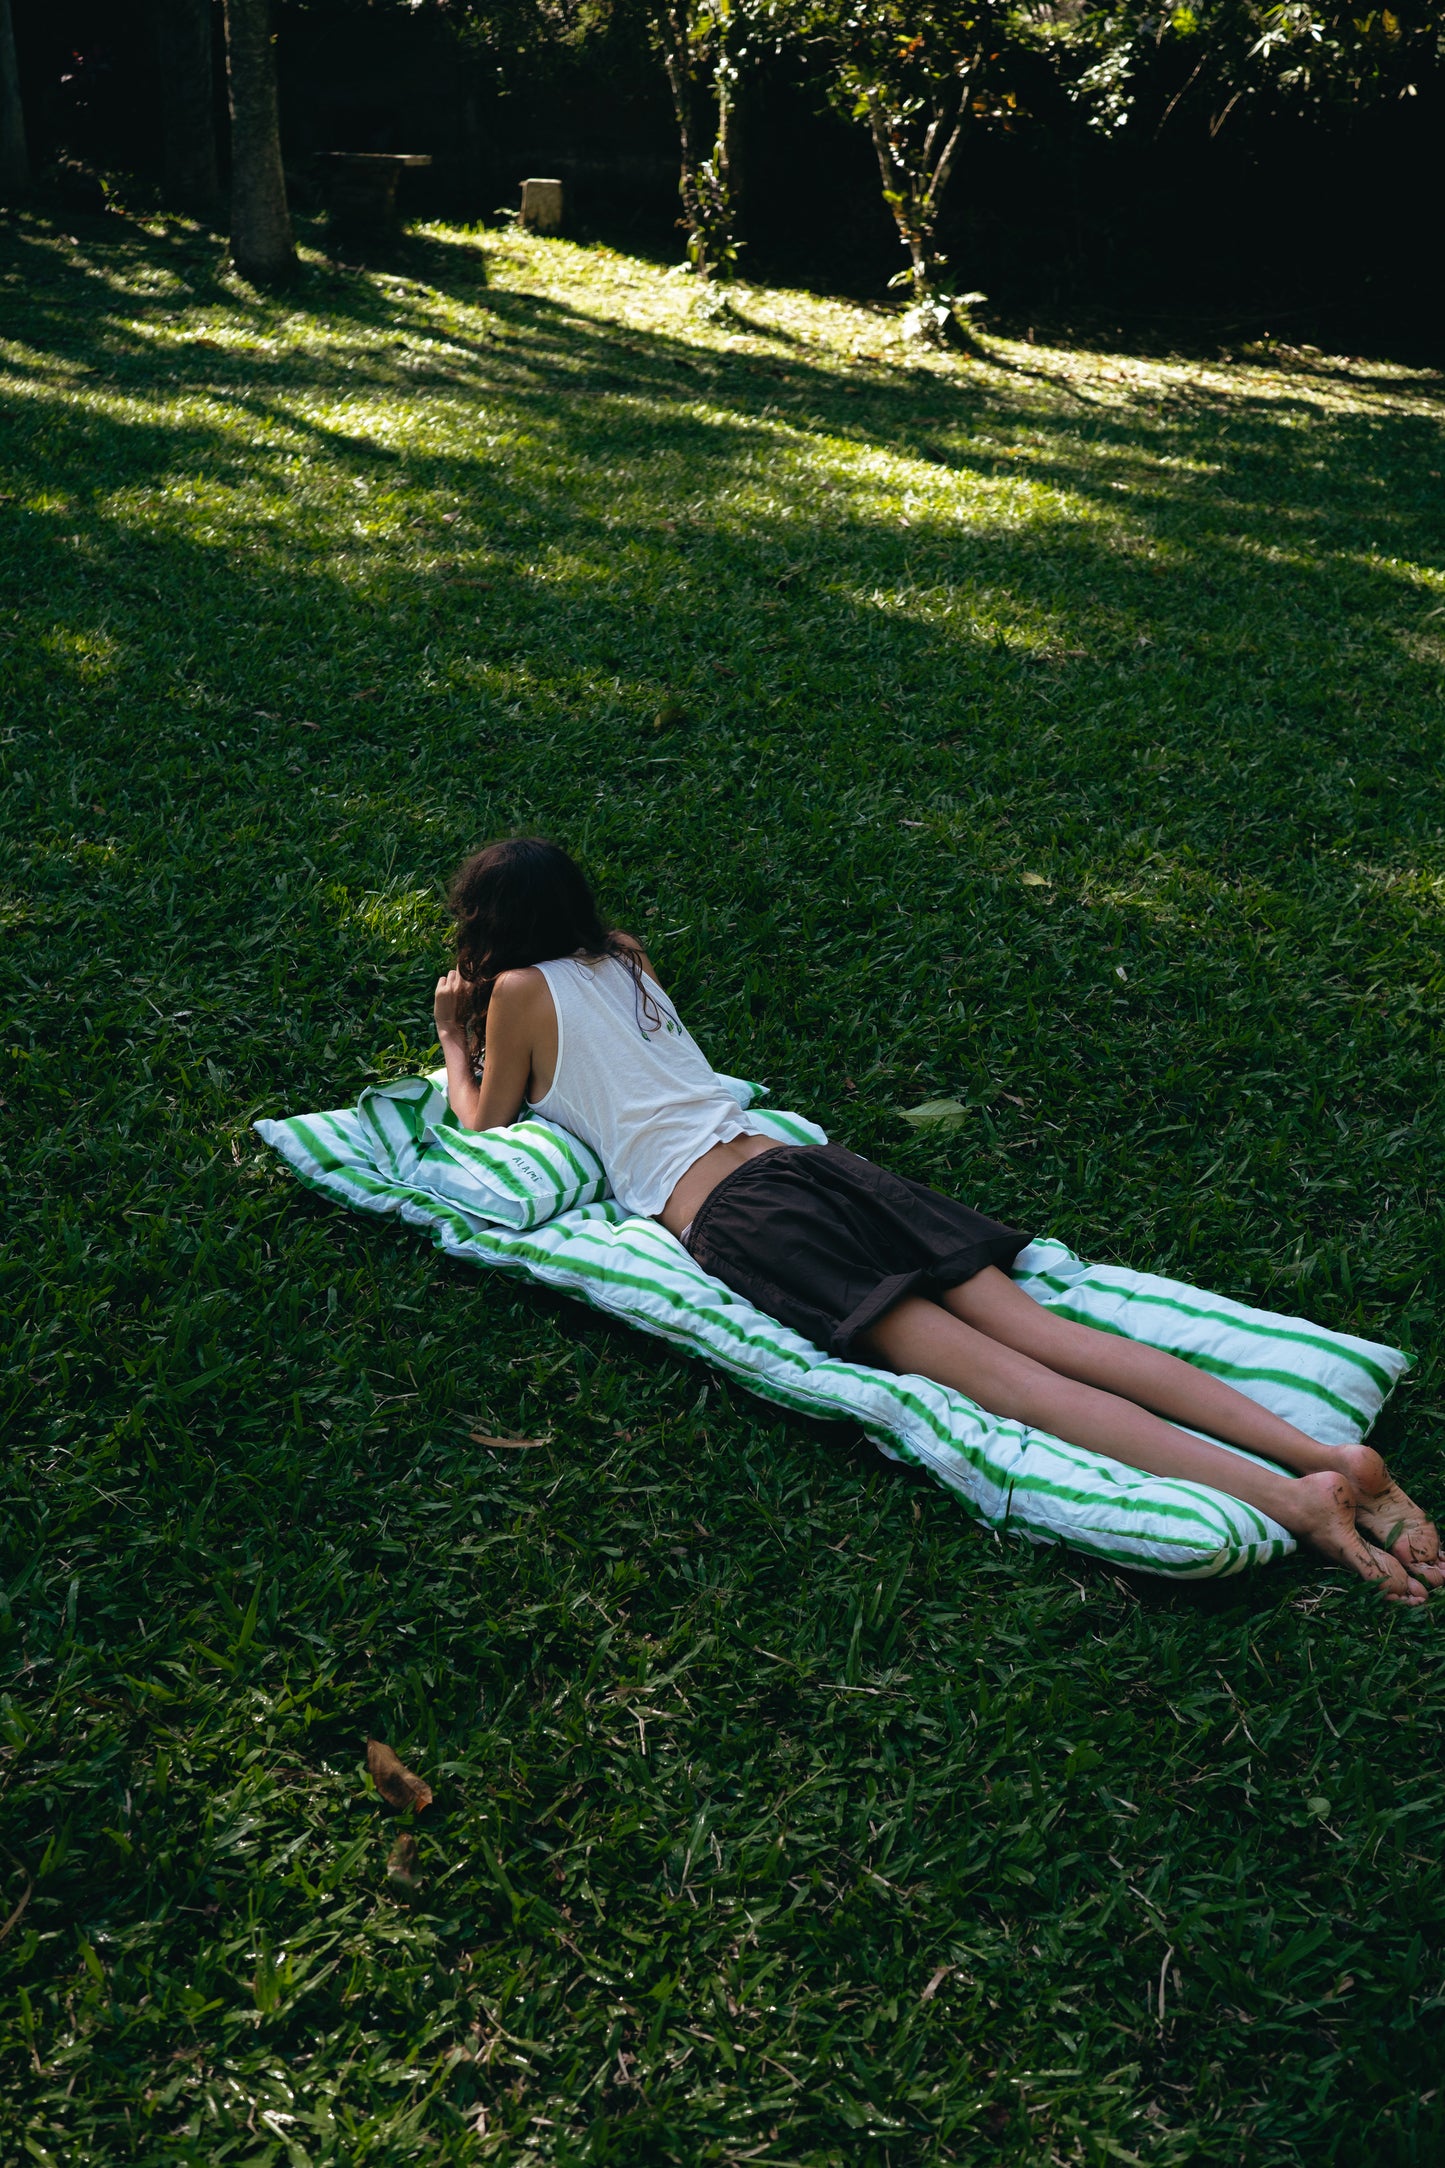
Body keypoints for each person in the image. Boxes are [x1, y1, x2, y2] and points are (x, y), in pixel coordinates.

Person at [433, 836, 1441, 1604]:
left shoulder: (516, 988)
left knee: (1008, 1381)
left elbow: (480, 1114)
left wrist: (451, 1031)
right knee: (1049, 1336)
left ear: (489, 928)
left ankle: (1292, 1497)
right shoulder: (623, 958)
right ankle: (1322, 1452)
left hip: (741, 1207)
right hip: (812, 1166)